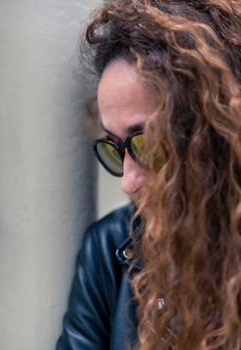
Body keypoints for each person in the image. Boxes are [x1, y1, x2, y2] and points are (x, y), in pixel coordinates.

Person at [56, 0, 241, 349]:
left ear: (215, 133)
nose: (128, 182)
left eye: (149, 145)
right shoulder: (109, 249)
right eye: (115, 148)